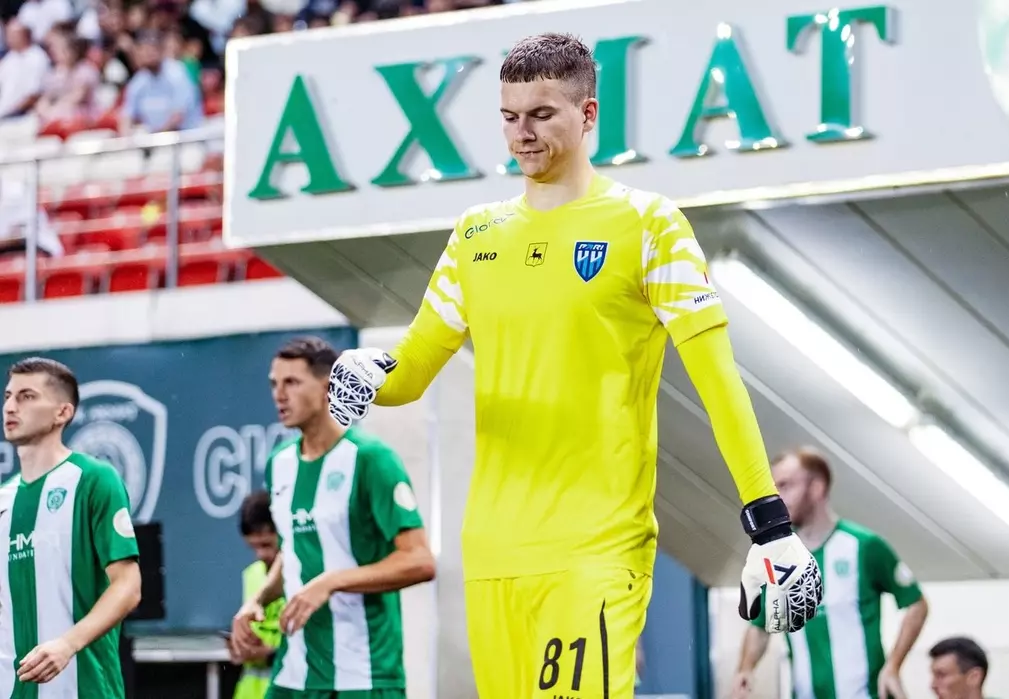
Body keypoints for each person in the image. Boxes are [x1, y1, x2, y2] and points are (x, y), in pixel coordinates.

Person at [327, 32, 823, 699]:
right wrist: (369, 372)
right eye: (509, 117)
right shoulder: (475, 234)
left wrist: (771, 524)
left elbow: (718, 382)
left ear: (588, 114)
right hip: (493, 552)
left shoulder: (651, 224)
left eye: (541, 115)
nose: (522, 134)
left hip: (597, 547)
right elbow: (413, 370)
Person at [229, 337, 436, 699]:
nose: (279, 395)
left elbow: (419, 561)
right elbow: (293, 550)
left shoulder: (371, 459)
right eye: (274, 384)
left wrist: (332, 581)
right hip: (294, 674)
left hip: (363, 675)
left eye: (292, 383)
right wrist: (257, 600)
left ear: (327, 387)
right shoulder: (279, 463)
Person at [731, 447, 929, 699]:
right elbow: (759, 626)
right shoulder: (776, 559)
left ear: (817, 487)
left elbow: (916, 604)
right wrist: (746, 668)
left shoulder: (864, 546)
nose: (777, 498)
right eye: (774, 488)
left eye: (786, 486)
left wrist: (893, 666)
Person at [0, 357, 142, 697]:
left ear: (63, 413)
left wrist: (67, 644)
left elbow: (128, 587)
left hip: (84, 688)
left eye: (27, 396)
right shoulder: (3, 498)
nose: (10, 407)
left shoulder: (94, 479)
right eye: (8, 396)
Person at [231, 489, 286, 699]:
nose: (261, 554)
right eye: (253, 547)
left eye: (266, 544)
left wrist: (270, 655)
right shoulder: (251, 574)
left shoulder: (303, 576)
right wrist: (241, 647)